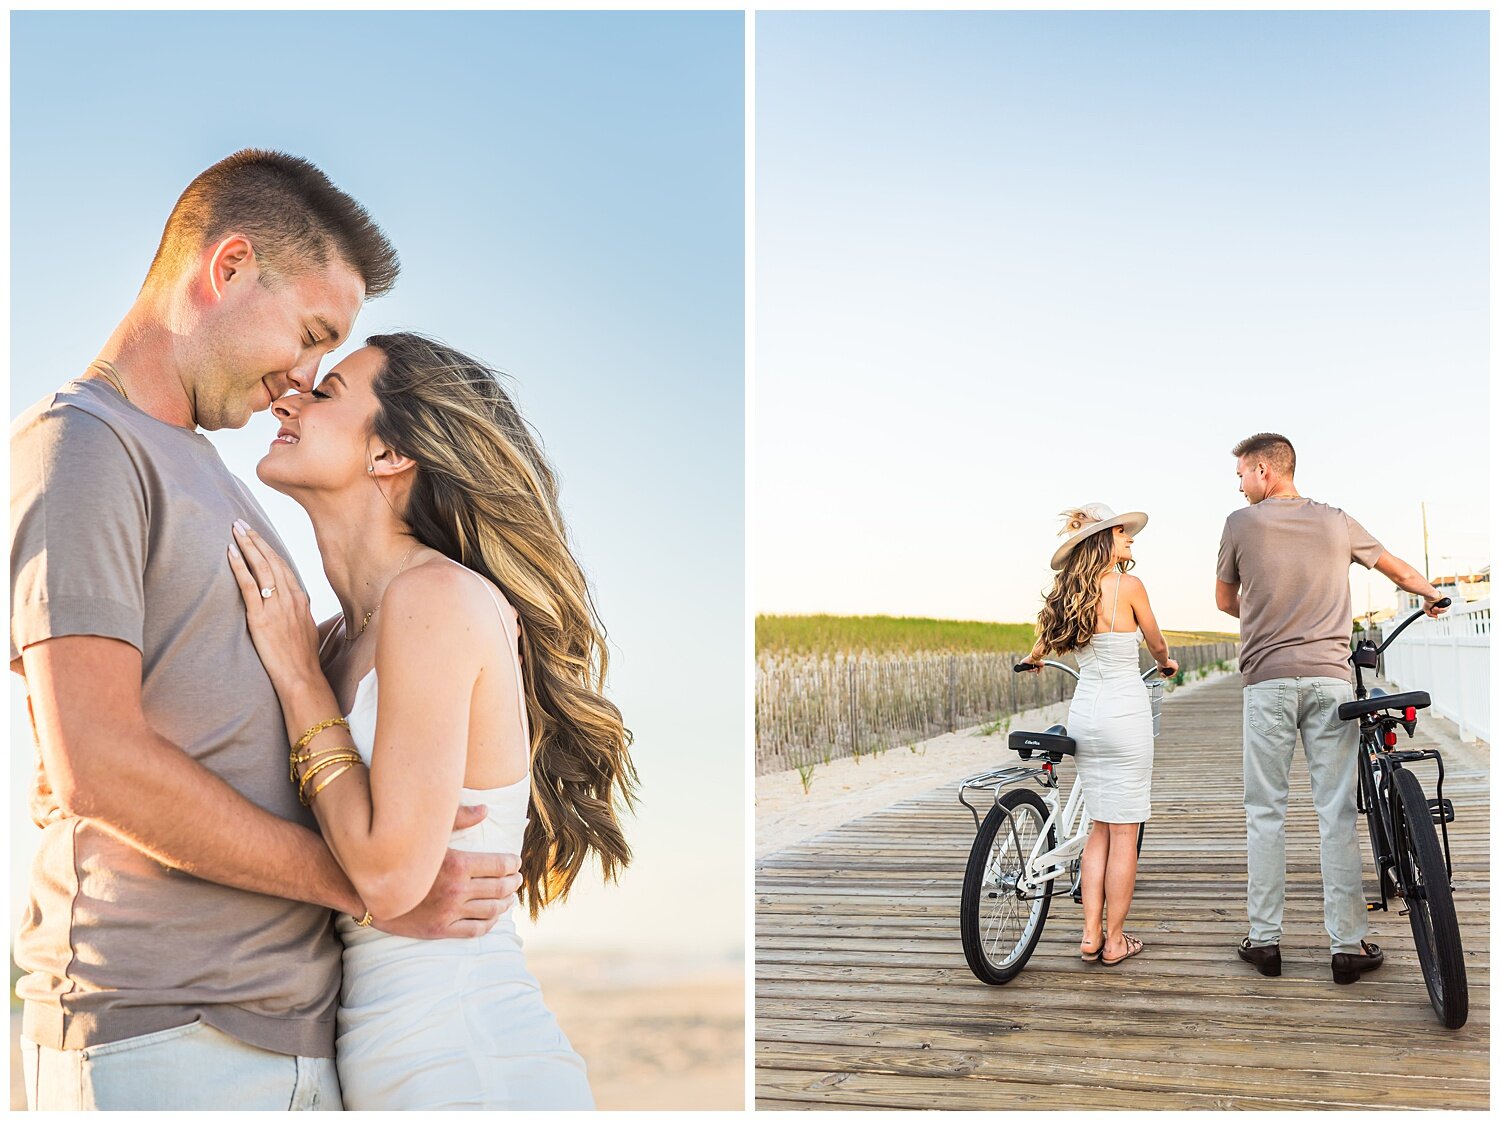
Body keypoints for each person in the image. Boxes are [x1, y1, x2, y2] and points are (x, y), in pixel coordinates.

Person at [10, 150, 520, 1111]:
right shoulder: (84, 443)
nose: (302, 376)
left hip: (284, 1036)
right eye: (312, 334)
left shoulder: (221, 482)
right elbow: (96, 765)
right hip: (164, 1026)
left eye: (329, 364)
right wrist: (371, 886)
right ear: (230, 266)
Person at [227, 331, 636, 1109]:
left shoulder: (432, 600)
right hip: (397, 1056)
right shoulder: (346, 638)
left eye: (327, 391)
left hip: (466, 1060)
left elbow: (387, 873)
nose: (288, 396)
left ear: (389, 454)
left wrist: (295, 676)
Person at [1216, 432, 1447, 984]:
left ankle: (1265, 941)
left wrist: (1268, 609)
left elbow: (1225, 601)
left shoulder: (1238, 524)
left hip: (1266, 684)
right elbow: (1393, 567)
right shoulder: (1337, 520)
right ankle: (1346, 945)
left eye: (1242, 473)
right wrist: (1431, 593)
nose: (1239, 483)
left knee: (1265, 812)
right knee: (1336, 814)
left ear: (1265, 471)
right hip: (1330, 683)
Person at [1021, 504, 1178, 968]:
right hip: (1124, 713)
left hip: (1085, 715)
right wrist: (1166, 661)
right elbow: (1155, 641)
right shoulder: (1128, 587)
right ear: (1104, 539)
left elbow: (1041, 645)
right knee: (1124, 831)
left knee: (1097, 830)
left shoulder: (1069, 594)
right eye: (1123, 533)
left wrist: (1035, 656)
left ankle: (1088, 935)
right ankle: (1115, 940)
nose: (1131, 539)